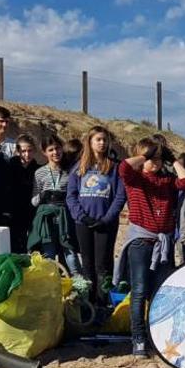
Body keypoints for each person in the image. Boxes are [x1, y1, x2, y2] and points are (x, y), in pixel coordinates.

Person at [115, 138, 185, 357]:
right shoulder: (135, 179)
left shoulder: (167, 181)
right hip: (141, 242)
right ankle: (138, 338)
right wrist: (145, 156)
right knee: (139, 291)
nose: (155, 163)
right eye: (152, 159)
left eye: (159, 159)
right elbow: (123, 167)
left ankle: (156, 335)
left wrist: (172, 159)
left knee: (161, 291)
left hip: (163, 243)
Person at [66, 126, 126, 304]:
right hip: (83, 222)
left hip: (105, 224)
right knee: (87, 264)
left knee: (103, 265)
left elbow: (120, 196)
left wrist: (107, 219)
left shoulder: (114, 168)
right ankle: (89, 303)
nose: (102, 143)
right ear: (90, 142)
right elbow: (71, 196)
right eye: (98, 139)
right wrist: (82, 216)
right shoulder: (79, 168)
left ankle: (102, 303)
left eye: (105, 140)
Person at [29, 134, 81, 275]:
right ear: (44, 152)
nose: (55, 152)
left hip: (65, 216)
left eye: (57, 148)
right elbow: (33, 201)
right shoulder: (39, 173)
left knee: (70, 252)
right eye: (50, 150)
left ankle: (80, 287)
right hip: (46, 219)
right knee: (49, 253)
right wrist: (43, 195)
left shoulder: (70, 171)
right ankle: (51, 286)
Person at [8, 134, 40, 253]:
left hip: (32, 211)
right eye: (23, 151)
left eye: (30, 150)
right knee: (15, 247)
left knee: (33, 246)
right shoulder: (10, 166)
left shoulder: (38, 169)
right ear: (17, 151)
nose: (27, 154)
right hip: (14, 212)